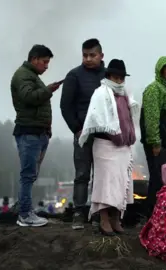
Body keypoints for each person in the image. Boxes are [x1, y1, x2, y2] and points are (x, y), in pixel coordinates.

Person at [78, 59, 139, 236]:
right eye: (116, 77)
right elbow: (98, 119)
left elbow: (129, 118)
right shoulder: (101, 93)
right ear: (109, 76)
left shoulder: (126, 94)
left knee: (121, 184)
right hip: (105, 144)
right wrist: (115, 134)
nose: (119, 80)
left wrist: (129, 135)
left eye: (121, 77)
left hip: (123, 147)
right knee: (105, 184)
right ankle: (104, 219)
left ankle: (115, 218)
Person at [10, 44, 61, 227]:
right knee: (28, 174)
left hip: (38, 132)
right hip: (29, 132)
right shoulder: (23, 75)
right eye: (45, 62)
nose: (47, 66)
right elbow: (28, 97)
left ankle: (25, 210)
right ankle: (25, 214)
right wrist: (49, 90)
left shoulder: (32, 76)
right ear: (35, 59)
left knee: (30, 175)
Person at [60, 38, 106, 230]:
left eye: (92, 55)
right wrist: (76, 128)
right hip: (83, 133)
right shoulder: (74, 76)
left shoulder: (109, 76)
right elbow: (65, 106)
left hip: (105, 135)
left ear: (101, 56)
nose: (88, 59)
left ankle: (97, 213)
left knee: (101, 175)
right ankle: (79, 212)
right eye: (85, 55)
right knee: (82, 174)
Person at [140, 56, 166, 216]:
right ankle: (150, 216)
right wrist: (155, 142)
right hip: (159, 146)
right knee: (157, 181)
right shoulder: (154, 89)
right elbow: (151, 118)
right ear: (160, 71)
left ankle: (165, 216)